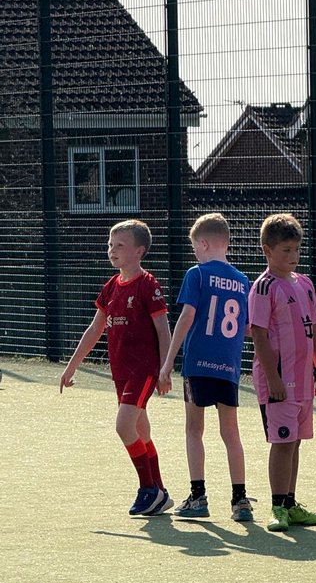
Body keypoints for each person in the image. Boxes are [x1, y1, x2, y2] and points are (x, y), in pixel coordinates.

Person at [60, 219, 173, 516]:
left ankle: (148, 489)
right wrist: (72, 367)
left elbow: (163, 330)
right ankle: (160, 491)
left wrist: (164, 370)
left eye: (120, 245)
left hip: (144, 369)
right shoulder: (111, 286)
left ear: (139, 251)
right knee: (140, 429)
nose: (112, 250)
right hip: (120, 371)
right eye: (111, 244)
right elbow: (95, 329)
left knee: (123, 426)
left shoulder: (149, 285)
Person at [158, 213, 254, 522]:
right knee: (231, 433)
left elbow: (186, 317)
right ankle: (240, 501)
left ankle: (198, 496)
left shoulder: (197, 274)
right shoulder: (242, 281)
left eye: (194, 247)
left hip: (198, 364)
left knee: (193, 429)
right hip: (228, 366)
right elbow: (247, 327)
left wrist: (169, 359)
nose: (194, 253)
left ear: (203, 243)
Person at [248, 213, 316, 533]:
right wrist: (273, 379)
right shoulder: (264, 287)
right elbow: (258, 334)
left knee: (295, 443)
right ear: (268, 251)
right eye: (286, 250)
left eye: (297, 249)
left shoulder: (305, 284)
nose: (293, 256)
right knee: (282, 443)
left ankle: (291, 504)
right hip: (279, 381)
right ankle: (277, 506)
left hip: (304, 381)